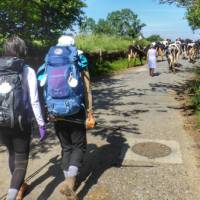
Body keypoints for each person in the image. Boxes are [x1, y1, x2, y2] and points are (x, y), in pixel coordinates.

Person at [38, 35, 91, 200]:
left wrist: (46, 112)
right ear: (73, 46)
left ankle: (69, 181)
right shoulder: (79, 60)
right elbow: (87, 90)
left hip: (55, 110)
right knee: (79, 146)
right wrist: (90, 112)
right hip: (75, 109)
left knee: (66, 147)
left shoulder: (48, 61)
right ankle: (70, 182)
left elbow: (42, 88)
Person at [0, 35, 45, 200]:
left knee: (11, 154)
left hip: (1, 121)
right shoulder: (27, 70)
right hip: (21, 122)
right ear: (22, 50)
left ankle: (19, 187)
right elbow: (34, 100)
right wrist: (41, 124)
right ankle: (12, 196)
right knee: (21, 159)